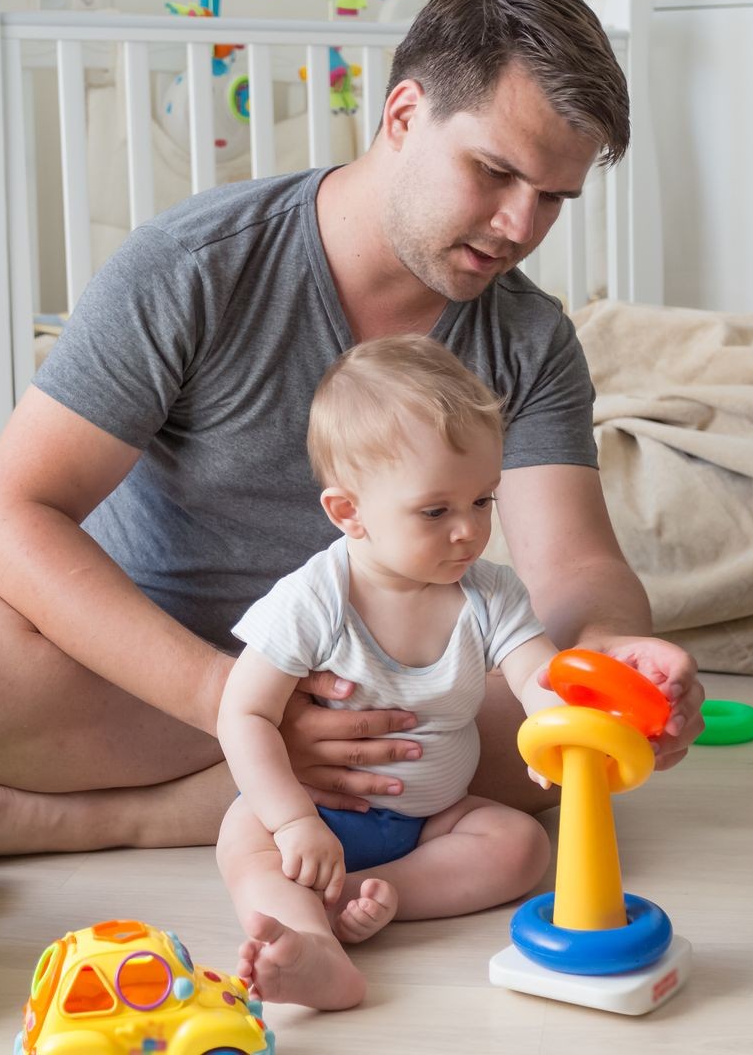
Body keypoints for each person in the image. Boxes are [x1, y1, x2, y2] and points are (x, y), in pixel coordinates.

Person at [0, 0, 705, 857]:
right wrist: (237, 702)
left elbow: (574, 566)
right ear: (404, 114)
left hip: (384, 688)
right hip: (157, 670)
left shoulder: (529, 337)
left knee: (549, 746)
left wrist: (612, 654)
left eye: (552, 199)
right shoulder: (192, 266)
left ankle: (123, 818)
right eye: (495, 172)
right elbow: (7, 517)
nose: (517, 226)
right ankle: (263, 770)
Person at [219, 336, 583, 1010]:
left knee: (520, 846)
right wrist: (294, 820)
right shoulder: (314, 599)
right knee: (245, 839)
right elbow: (243, 714)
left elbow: (539, 673)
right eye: (436, 510)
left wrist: (556, 724)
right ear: (348, 512)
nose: (467, 532)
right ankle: (313, 949)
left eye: (483, 502)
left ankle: (372, 899)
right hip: (320, 815)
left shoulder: (489, 592)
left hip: (433, 818)